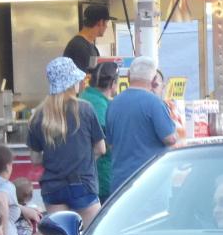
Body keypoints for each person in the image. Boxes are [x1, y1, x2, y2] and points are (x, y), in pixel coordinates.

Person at [28, 57, 107, 227]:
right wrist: (81, 156)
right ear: (71, 83)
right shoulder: (85, 109)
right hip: (83, 184)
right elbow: (101, 149)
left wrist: (57, 159)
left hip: (53, 187)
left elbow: (35, 158)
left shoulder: (39, 115)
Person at [106, 56, 178, 192]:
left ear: (127, 76)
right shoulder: (154, 103)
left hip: (120, 182)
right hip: (150, 181)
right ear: (153, 80)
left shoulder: (113, 104)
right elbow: (170, 138)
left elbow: (110, 144)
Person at [78, 60, 117, 203]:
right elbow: (103, 144)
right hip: (100, 175)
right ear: (113, 83)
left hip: (84, 177)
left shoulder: (84, 97)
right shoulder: (100, 105)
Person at [63, 5, 117, 73]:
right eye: (106, 22)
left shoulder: (90, 46)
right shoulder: (79, 46)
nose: (106, 26)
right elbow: (86, 78)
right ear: (100, 22)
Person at [154, 69, 187, 143]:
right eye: (149, 85)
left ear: (163, 86)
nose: (152, 89)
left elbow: (180, 135)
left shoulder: (170, 107)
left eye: (155, 85)